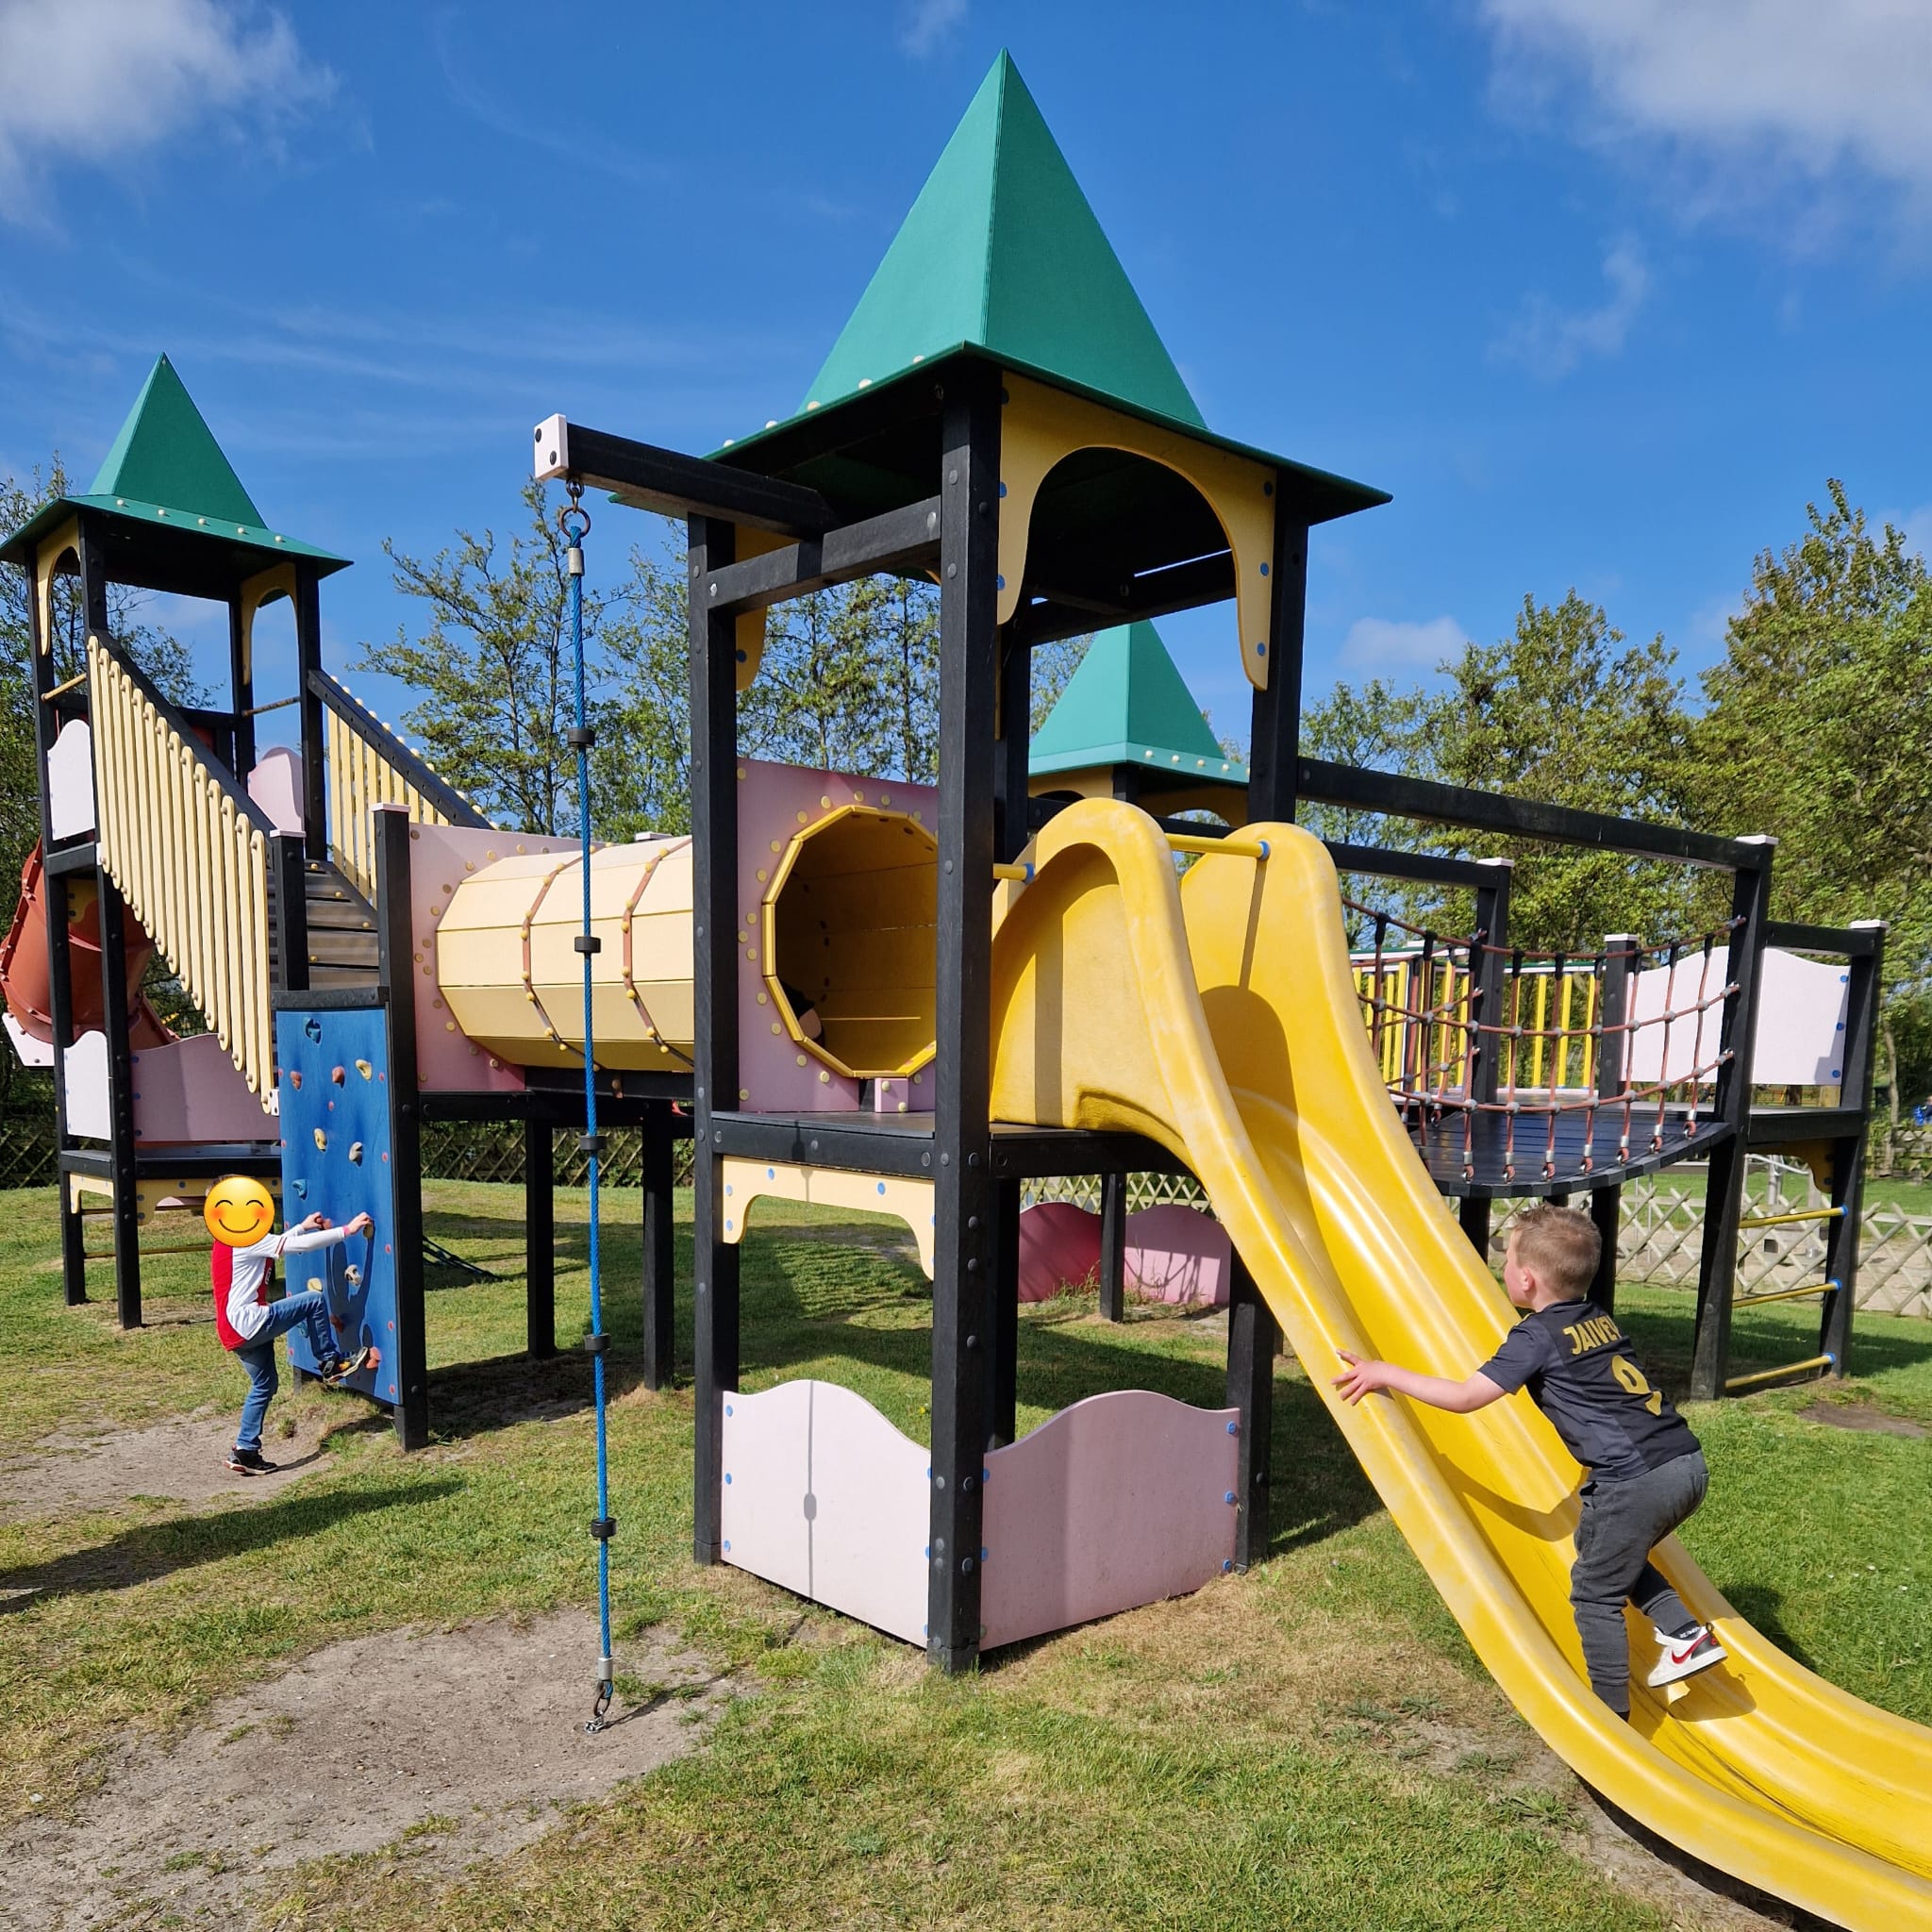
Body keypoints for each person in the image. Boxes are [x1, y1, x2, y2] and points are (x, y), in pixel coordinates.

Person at [1331, 1202, 1723, 1719]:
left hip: (1636, 1480)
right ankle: (1685, 1631)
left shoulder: (1536, 1336)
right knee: (1599, 1547)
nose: (1503, 1268)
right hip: (1684, 1462)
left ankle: (1611, 1718)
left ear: (1528, 1280)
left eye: (1508, 1260)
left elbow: (1465, 1396)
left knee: (1593, 1595)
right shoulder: (1597, 1318)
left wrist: (1386, 1372)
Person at [204, 1176, 375, 1476]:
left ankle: (245, 1451)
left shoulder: (229, 1240)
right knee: (313, 1301)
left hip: (234, 1330)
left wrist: (303, 1226)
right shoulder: (245, 1238)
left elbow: (282, 1245)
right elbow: (300, 1247)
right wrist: (345, 1231)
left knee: (264, 1385)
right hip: (249, 1322)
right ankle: (330, 1361)